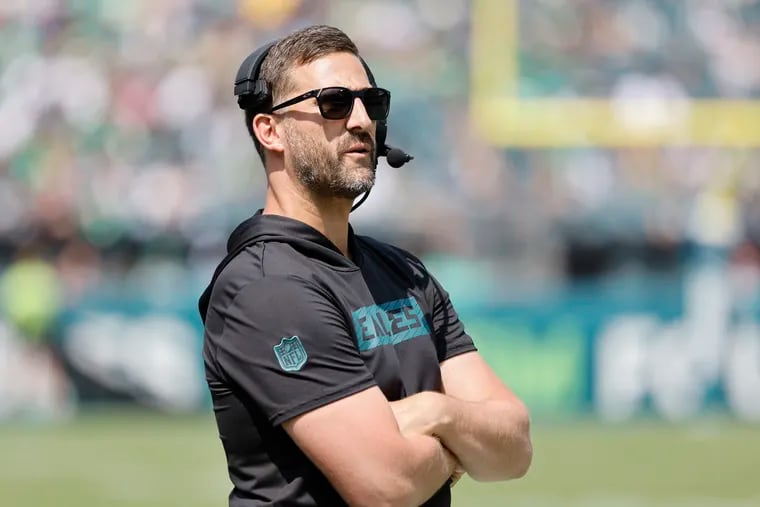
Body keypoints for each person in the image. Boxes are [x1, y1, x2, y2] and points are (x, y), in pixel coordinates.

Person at [198, 25, 532, 507]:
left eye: (370, 102)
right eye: (334, 102)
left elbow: (515, 448)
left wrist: (433, 412)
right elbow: (389, 488)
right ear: (270, 130)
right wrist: (462, 446)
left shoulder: (402, 271)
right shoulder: (266, 287)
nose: (361, 121)